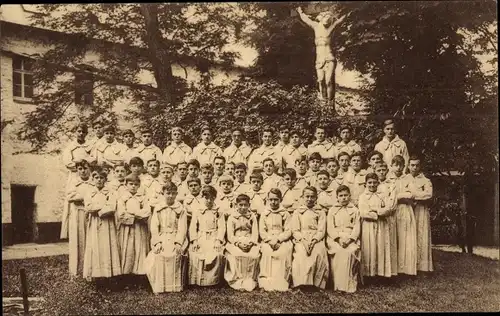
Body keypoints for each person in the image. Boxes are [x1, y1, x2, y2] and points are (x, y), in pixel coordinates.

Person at [296, 7, 349, 102]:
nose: (328, 19)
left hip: (329, 57)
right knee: (321, 81)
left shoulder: (331, 28)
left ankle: (329, 103)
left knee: (328, 81)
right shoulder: (315, 26)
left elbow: (340, 20)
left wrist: (350, 9)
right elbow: (305, 19)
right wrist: (300, 11)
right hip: (319, 59)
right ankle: (323, 104)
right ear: (320, 18)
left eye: (330, 17)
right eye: (325, 16)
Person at [145, 182, 189, 293]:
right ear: (163, 194)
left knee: (175, 252)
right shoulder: (158, 208)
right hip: (162, 236)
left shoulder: (181, 209)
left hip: (175, 236)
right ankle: (160, 286)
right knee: (159, 254)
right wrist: (157, 242)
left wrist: (178, 242)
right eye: (168, 193)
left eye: (173, 193)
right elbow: (154, 227)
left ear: (176, 194)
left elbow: (182, 228)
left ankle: (175, 286)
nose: (170, 196)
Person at [83, 168, 122, 280]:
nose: (99, 180)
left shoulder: (110, 192)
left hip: (107, 222)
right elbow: (88, 207)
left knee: (107, 245)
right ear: (93, 179)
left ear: (105, 179)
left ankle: (108, 274)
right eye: (96, 178)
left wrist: (99, 210)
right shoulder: (89, 192)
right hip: (94, 223)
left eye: (101, 178)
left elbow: (112, 207)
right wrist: (102, 207)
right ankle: (95, 274)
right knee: (95, 245)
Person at [290, 186, 329, 289]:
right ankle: (301, 283)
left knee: (319, 251)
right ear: (302, 197)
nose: (309, 199)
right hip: (301, 238)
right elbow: (295, 230)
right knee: (301, 253)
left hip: (316, 238)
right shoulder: (298, 212)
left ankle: (317, 283)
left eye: (312, 197)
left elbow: (321, 230)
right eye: (307, 196)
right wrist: (303, 241)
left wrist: (314, 240)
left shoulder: (320, 212)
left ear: (316, 198)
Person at [358, 173, 395, 279]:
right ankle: (369, 274)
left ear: (378, 183)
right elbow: (363, 213)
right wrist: (378, 213)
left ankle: (381, 273)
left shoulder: (382, 195)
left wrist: (376, 211)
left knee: (381, 246)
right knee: (370, 247)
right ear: (365, 184)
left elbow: (389, 209)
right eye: (369, 182)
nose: (372, 185)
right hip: (368, 225)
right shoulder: (363, 197)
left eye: (374, 182)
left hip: (382, 225)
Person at [188, 185, 226, 286]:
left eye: (211, 198)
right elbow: (193, 227)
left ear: (215, 198)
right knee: (196, 252)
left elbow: (222, 227)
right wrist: (195, 240)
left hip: (214, 236)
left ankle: (213, 280)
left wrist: (218, 240)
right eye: (206, 198)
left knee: (216, 253)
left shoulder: (219, 210)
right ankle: (198, 279)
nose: (209, 200)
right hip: (201, 236)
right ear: (203, 197)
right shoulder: (198, 210)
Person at [326, 185, 361, 293]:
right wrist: (338, 239)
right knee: (338, 251)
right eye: (341, 196)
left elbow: (356, 227)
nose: (344, 198)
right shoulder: (332, 210)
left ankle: (349, 285)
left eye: (346, 195)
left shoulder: (355, 210)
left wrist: (350, 239)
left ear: (350, 196)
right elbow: (330, 227)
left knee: (350, 251)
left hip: (350, 238)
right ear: (337, 197)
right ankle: (338, 285)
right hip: (336, 238)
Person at [63, 159, 94, 277]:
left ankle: (90, 271)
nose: (83, 171)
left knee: (91, 240)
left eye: (85, 168)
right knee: (78, 241)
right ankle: (76, 271)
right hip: (77, 214)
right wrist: (86, 198)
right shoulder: (73, 183)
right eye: (80, 169)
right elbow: (70, 198)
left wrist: (81, 198)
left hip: (91, 214)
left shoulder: (94, 182)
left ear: (90, 169)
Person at [258, 189, 293, 291]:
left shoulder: (285, 213)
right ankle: (266, 282)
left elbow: (288, 230)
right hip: (268, 240)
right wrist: (270, 240)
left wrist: (279, 240)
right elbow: (262, 231)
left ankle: (280, 282)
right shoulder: (264, 214)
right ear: (268, 200)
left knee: (283, 252)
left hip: (281, 239)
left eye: (276, 200)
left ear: (280, 200)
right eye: (271, 199)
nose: (273, 202)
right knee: (267, 251)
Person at [224, 194, 260, 291]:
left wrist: (251, 243)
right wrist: (238, 243)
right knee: (236, 254)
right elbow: (230, 235)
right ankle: (238, 281)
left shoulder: (252, 216)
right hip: (236, 240)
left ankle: (249, 280)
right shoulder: (232, 217)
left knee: (253, 254)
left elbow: (255, 232)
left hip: (249, 240)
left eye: (245, 205)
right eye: (240, 205)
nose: (243, 207)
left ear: (249, 205)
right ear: (236, 205)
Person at [116, 174, 151, 276]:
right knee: (128, 248)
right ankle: (126, 273)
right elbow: (121, 214)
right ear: (126, 185)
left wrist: (132, 213)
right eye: (130, 184)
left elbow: (146, 212)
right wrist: (136, 215)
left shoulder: (143, 198)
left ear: (139, 185)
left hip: (140, 228)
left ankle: (140, 273)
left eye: (136, 184)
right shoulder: (122, 198)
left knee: (140, 247)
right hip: (127, 228)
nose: (133, 186)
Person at [404, 155, 433, 273]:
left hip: (421, 210)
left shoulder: (425, 180)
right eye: (412, 165)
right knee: (408, 237)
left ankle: (422, 267)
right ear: (408, 166)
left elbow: (428, 194)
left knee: (421, 235)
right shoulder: (404, 179)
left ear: (420, 166)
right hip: (407, 209)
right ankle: (409, 266)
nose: (414, 168)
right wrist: (415, 195)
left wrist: (413, 195)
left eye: (417, 165)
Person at [390, 155, 417, 276]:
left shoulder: (408, 178)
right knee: (393, 237)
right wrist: (401, 196)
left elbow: (412, 194)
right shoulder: (388, 178)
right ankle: (394, 268)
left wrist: (398, 196)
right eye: (395, 165)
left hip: (405, 210)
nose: (398, 168)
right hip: (393, 210)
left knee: (405, 237)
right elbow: (388, 196)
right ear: (391, 166)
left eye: (400, 165)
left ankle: (405, 268)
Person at [375, 162, 398, 277]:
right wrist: (376, 212)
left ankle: (389, 272)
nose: (381, 172)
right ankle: (377, 272)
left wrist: (383, 212)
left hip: (388, 217)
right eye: (379, 170)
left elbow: (392, 203)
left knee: (389, 243)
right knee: (377, 244)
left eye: (384, 170)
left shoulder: (391, 185)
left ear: (387, 171)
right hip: (375, 219)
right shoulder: (372, 184)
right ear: (375, 171)